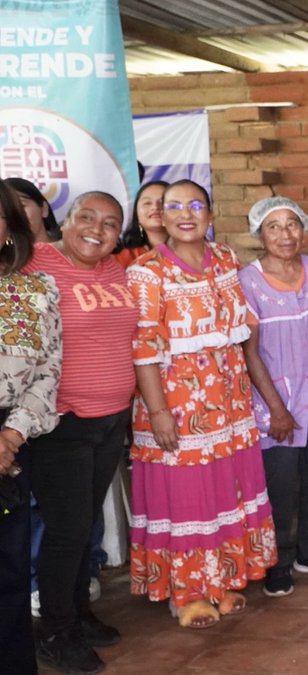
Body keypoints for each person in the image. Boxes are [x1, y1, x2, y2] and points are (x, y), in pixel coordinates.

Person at [127, 180, 277, 630]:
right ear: (160, 216)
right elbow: (142, 346)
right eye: (174, 206)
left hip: (228, 403)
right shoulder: (147, 271)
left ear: (210, 213)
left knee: (223, 492)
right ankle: (187, 593)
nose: (186, 213)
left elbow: (243, 328)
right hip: (177, 406)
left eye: (196, 204)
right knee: (187, 499)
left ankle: (221, 582)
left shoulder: (227, 258)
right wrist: (157, 413)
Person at [21, 192, 136, 673]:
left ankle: (78, 612)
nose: (97, 229)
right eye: (87, 217)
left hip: (110, 418)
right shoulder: (35, 264)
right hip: (60, 423)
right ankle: (56, 630)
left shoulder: (116, 271)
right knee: (67, 530)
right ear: (64, 222)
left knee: (85, 522)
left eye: (110, 223)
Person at [240, 198, 308, 597]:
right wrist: (276, 410)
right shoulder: (247, 281)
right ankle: (279, 559)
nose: (285, 234)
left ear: (303, 229)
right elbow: (249, 351)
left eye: (292, 225)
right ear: (260, 235)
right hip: (276, 403)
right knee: (279, 486)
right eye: (274, 227)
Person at [0, 181, 62, 675]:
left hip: (10, 445)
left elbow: (47, 371)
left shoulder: (34, 290)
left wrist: (11, 435)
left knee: (10, 576)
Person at [114, 181, 169, 267]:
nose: (155, 207)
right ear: (136, 214)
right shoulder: (123, 257)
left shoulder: (194, 253)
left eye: (163, 202)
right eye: (147, 203)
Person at [3, 177, 59, 242]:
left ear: (44, 209)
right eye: (6, 210)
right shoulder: (4, 251)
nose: (15, 215)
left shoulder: (68, 247)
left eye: (21, 206)